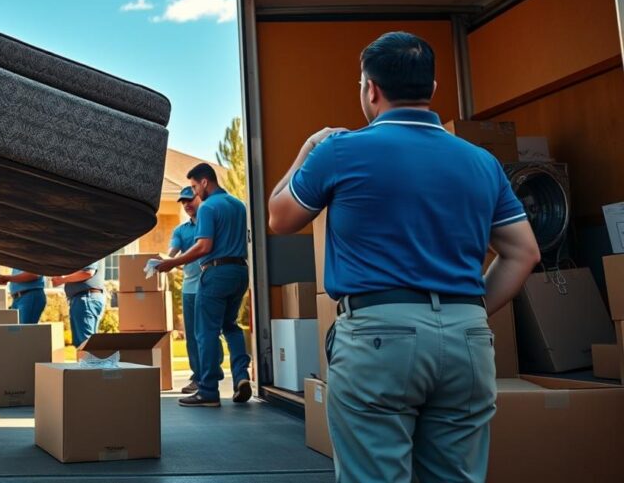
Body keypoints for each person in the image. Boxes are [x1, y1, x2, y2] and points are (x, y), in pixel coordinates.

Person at [266, 31, 540, 483]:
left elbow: (280, 217)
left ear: (371, 89)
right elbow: (523, 252)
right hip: (466, 335)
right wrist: (465, 314)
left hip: (379, 336)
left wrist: (306, 150)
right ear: (432, 88)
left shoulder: (339, 150)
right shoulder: (481, 162)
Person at [156, 163, 252, 407]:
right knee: (231, 326)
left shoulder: (208, 207)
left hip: (216, 273)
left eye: (194, 186)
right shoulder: (239, 205)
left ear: (205, 182)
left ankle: (208, 391)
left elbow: (203, 246)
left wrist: (172, 263)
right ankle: (241, 375)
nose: (195, 192)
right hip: (240, 272)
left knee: (205, 331)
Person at [167, 186, 204, 394]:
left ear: (200, 198)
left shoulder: (210, 223)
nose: (186, 204)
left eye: (190, 199)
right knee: (192, 336)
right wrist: (165, 261)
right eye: (183, 202)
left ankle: (210, 374)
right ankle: (198, 377)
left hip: (210, 285)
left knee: (209, 333)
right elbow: (171, 254)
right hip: (189, 289)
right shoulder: (180, 231)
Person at [51, 260, 105, 347]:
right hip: (83, 299)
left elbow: (88, 272)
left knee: (86, 343)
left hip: (85, 299)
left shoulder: (87, 252)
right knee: (82, 344)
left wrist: (62, 279)